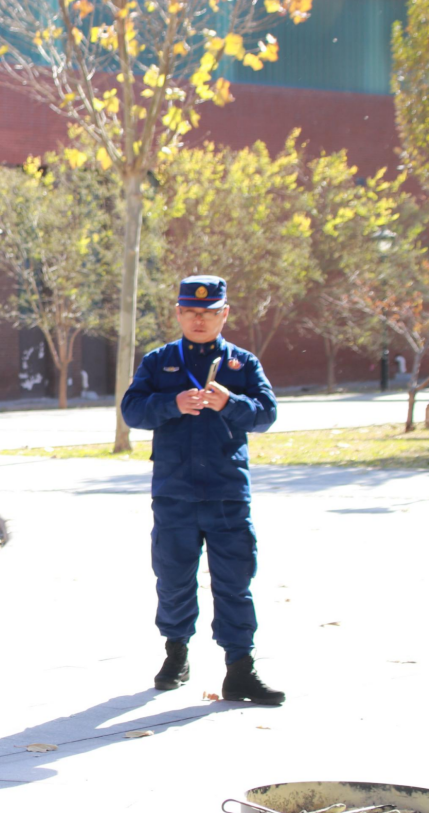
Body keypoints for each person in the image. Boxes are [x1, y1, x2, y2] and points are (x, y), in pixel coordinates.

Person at [121, 276, 284, 705]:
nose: (199, 320)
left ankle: (240, 669)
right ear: (178, 313)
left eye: (209, 312)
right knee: (174, 578)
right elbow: (132, 410)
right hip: (174, 492)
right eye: (191, 312)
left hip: (227, 492)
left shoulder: (241, 364)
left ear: (224, 314)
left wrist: (230, 403)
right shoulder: (160, 361)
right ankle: (176, 654)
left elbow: (266, 414)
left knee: (234, 582)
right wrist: (171, 404)